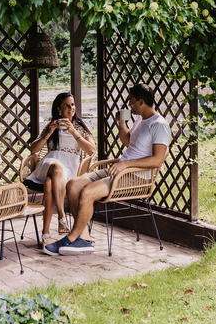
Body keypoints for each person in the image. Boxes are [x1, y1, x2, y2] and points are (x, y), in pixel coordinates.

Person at [42, 83, 171, 255]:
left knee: (87, 192)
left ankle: (71, 238)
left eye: (131, 101)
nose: (129, 105)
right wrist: (121, 123)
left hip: (136, 177)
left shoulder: (159, 124)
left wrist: (125, 164)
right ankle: (84, 239)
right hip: (118, 171)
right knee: (73, 185)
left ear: (142, 101)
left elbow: (157, 160)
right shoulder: (141, 119)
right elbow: (127, 142)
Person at [23, 92, 96, 246]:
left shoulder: (80, 126)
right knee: (56, 167)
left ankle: (45, 235)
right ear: (59, 109)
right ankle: (62, 217)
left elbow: (91, 150)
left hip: (69, 169)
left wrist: (73, 131)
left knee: (50, 184)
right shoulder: (51, 126)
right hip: (49, 164)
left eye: (73, 104)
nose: (71, 108)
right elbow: (34, 150)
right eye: (66, 105)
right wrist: (49, 132)